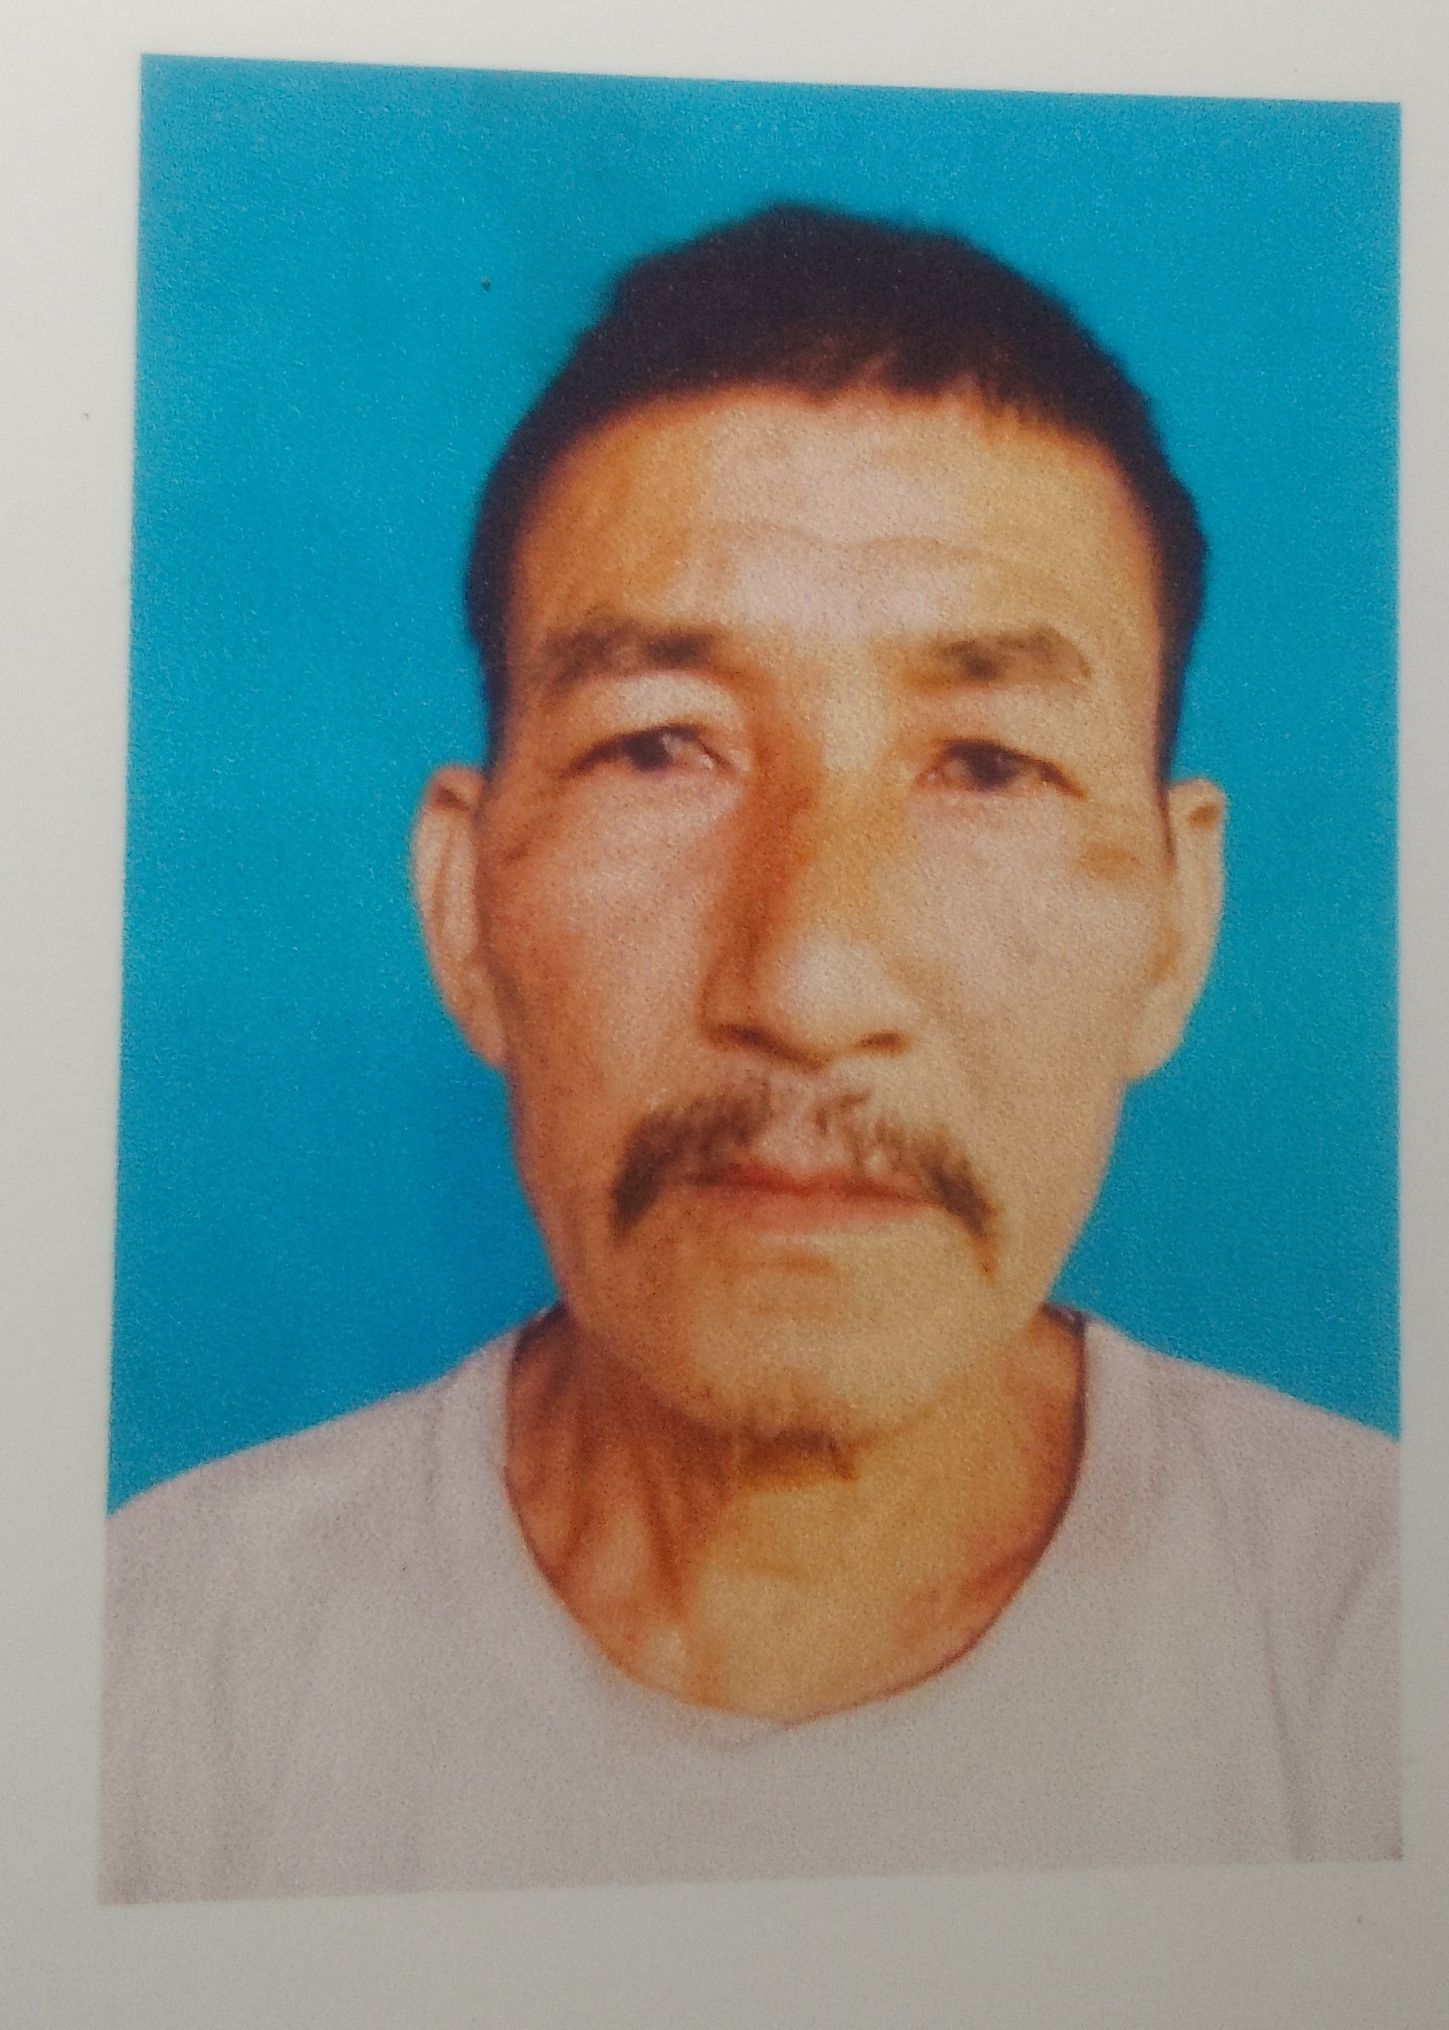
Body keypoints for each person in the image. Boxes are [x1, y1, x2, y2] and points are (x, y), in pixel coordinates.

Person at [102, 205, 1397, 1902]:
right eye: (660, 747)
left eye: (985, 764)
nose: (806, 979)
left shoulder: (1376, 1655)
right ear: (464, 907)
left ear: (1176, 922)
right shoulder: (143, 1683)